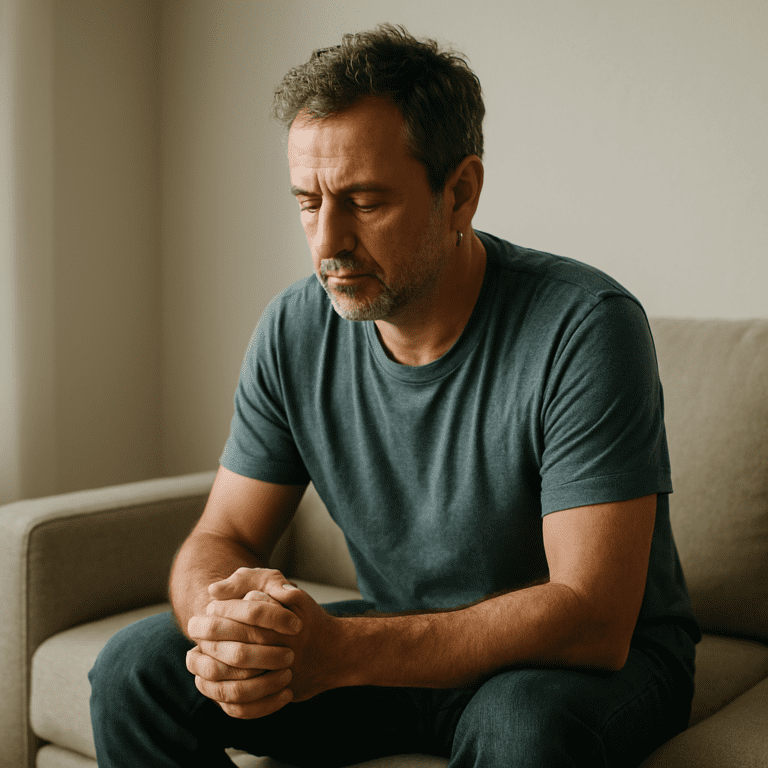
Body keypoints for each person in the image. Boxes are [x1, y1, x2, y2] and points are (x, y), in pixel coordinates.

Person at [89, 24, 700, 767]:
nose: (326, 242)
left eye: (364, 201)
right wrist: (228, 627)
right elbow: (224, 536)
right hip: (399, 640)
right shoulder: (295, 327)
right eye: (308, 202)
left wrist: (339, 650)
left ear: (460, 193)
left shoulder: (584, 327)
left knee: (518, 730)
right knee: (134, 671)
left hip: (581, 667)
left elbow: (591, 618)